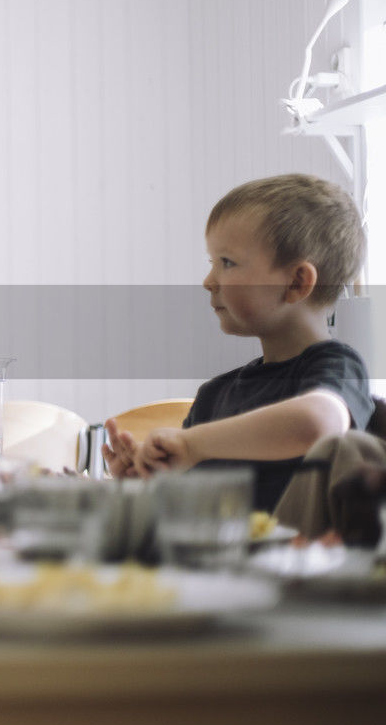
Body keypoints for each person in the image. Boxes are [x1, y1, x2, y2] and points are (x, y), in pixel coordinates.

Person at [103, 174, 374, 512]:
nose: (208, 281)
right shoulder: (214, 395)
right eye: (211, 263)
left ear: (297, 281)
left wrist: (191, 444)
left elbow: (318, 423)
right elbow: (191, 504)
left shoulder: (336, 366)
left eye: (227, 263)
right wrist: (147, 480)